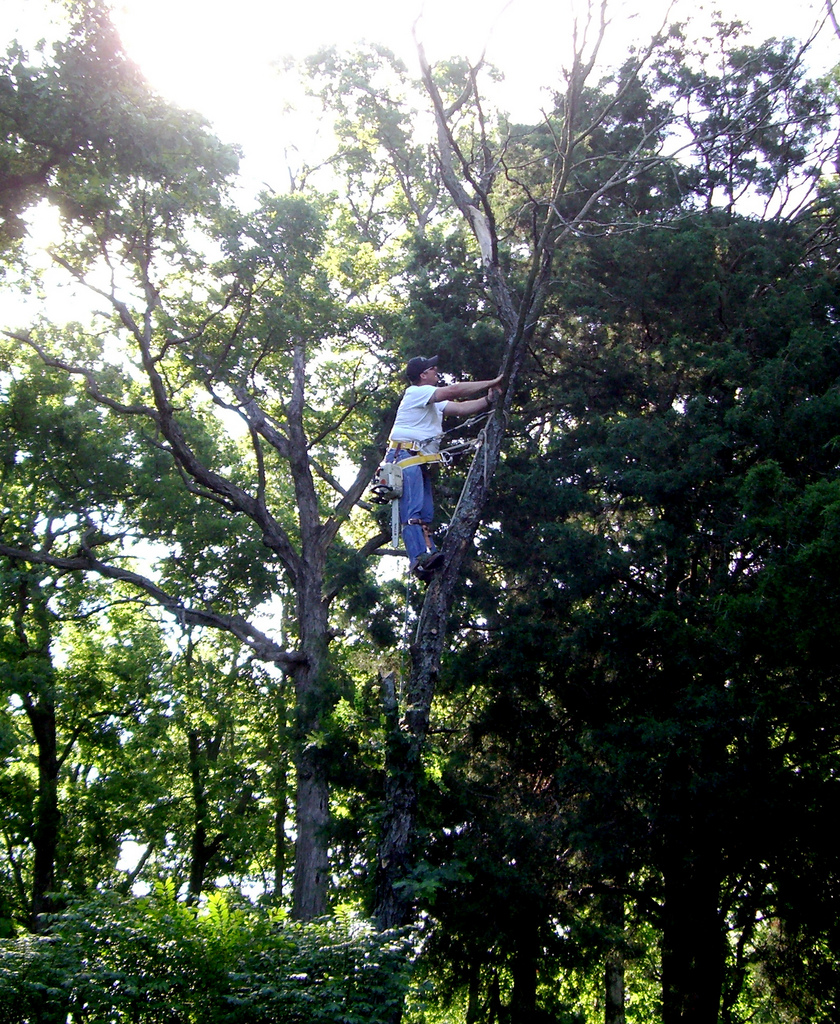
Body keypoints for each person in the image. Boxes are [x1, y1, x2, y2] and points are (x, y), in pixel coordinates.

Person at [387, 354, 503, 580]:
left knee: (425, 513)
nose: (436, 372)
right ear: (423, 375)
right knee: (412, 513)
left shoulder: (433, 401)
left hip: (418, 460)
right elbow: (455, 390)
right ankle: (418, 558)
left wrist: (488, 400)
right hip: (404, 457)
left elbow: (461, 408)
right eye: (433, 369)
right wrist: (492, 381)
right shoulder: (416, 393)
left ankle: (427, 557)